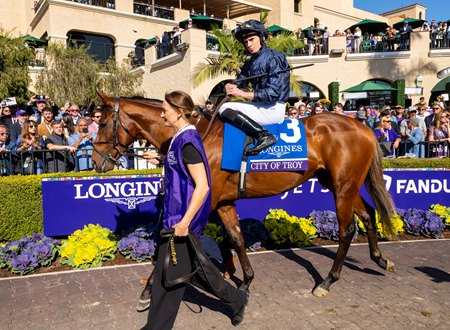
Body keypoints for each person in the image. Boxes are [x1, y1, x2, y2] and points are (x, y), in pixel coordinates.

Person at [141, 90, 248, 329]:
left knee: (169, 280)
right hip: (175, 218)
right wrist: (160, 158)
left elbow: (202, 186)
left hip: (181, 222)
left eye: (165, 110)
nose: (161, 114)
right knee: (194, 269)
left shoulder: (188, 141)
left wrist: (184, 223)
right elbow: (182, 166)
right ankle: (237, 299)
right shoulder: (180, 137)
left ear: (179, 112)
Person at [218, 20, 290, 156]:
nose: (249, 45)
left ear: (262, 38)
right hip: (261, 106)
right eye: (246, 42)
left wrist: (243, 94)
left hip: (274, 108)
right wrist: (228, 86)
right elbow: (238, 83)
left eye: (252, 39)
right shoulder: (250, 63)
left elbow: (274, 93)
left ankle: (264, 135)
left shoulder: (275, 57)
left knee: (225, 108)